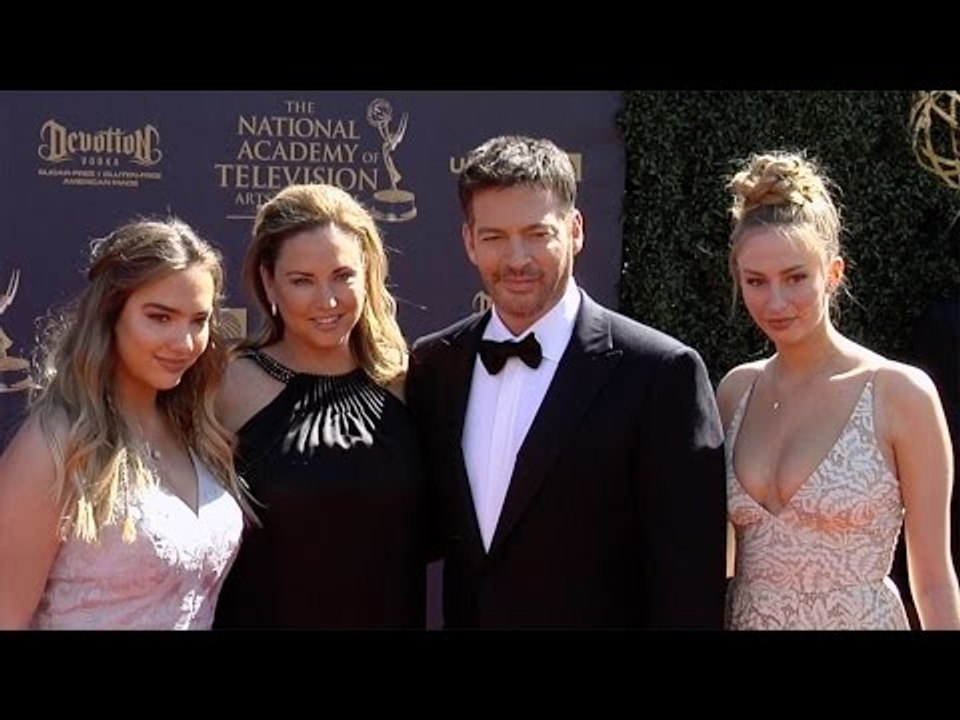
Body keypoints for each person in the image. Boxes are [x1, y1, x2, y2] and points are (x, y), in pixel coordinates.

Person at [405, 135, 727, 629]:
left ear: (575, 230)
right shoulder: (434, 365)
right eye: (494, 237)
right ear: (469, 242)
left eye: (537, 234)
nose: (516, 259)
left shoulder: (660, 373)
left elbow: (688, 575)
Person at [717, 151, 960, 630]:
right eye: (756, 282)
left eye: (795, 278)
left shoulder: (899, 393)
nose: (776, 301)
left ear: (833, 273)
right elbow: (720, 561)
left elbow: (932, 578)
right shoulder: (735, 392)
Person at [0, 218, 246, 630]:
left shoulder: (197, 433)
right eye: (160, 317)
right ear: (109, 315)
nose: (184, 343)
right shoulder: (55, 443)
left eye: (198, 320)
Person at [213, 183, 426, 629]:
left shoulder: (411, 381)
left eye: (342, 275)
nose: (327, 301)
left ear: (367, 272)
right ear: (269, 280)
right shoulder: (228, 386)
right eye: (302, 281)